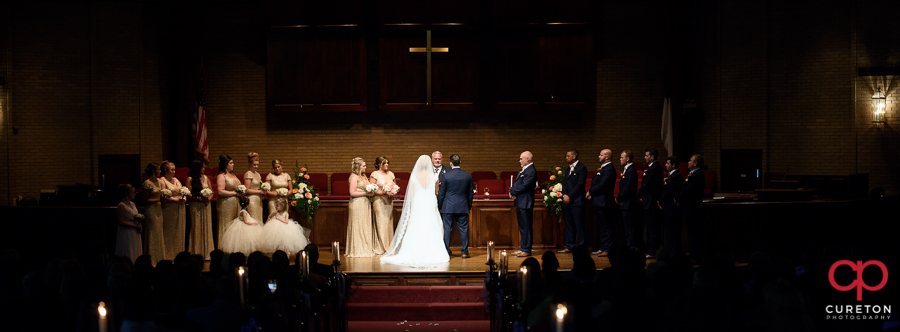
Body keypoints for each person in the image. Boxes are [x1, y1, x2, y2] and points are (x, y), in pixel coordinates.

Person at [380, 155, 450, 266]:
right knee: (431, 224)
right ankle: (432, 251)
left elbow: (411, 194)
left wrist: (412, 206)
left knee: (416, 224)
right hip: (430, 201)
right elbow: (437, 192)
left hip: (418, 201)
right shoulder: (435, 175)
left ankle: (414, 250)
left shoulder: (414, 176)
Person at [437, 154, 474, 258]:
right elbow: (470, 193)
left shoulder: (446, 176)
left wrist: (439, 206)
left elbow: (442, 193)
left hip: (448, 206)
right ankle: (465, 251)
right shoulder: (468, 175)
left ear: (450, 163)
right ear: (460, 162)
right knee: (463, 229)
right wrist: (469, 205)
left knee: (447, 229)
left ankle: (447, 251)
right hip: (462, 206)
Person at [675, 154, 706, 264]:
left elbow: (689, 190)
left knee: (694, 234)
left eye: (690, 160)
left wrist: (678, 197)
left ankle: (696, 256)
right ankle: (693, 254)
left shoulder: (697, 175)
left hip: (693, 209)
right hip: (690, 208)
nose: (688, 162)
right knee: (691, 233)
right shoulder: (693, 174)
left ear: (695, 164)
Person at [586, 149, 616, 257]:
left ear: (607, 157)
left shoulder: (609, 169)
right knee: (603, 227)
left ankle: (607, 249)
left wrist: (591, 191)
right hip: (599, 201)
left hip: (604, 202)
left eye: (601, 155)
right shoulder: (604, 168)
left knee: (607, 227)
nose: (599, 157)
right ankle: (603, 247)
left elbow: (603, 184)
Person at [636, 147, 664, 258]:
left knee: (652, 228)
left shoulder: (654, 168)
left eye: (647, 155)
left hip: (651, 203)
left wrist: (636, 195)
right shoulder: (653, 167)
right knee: (650, 228)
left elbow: (647, 185)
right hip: (649, 201)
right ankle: (650, 249)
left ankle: (652, 251)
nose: (645, 157)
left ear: (652, 157)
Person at [345, 157, 376, 257]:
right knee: (358, 226)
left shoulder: (364, 176)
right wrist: (366, 193)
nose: (365, 167)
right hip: (357, 204)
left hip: (365, 204)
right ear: (358, 166)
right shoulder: (354, 177)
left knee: (364, 225)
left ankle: (365, 248)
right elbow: (352, 192)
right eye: (364, 166)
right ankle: (357, 250)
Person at [509, 151, 537, 257]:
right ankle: (523, 247)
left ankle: (527, 249)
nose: (519, 160)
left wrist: (513, 192)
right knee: (522, 226)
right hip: (521, 201)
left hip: (525, 202)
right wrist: (513, 190)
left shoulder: (531, 171)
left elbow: (525, 185)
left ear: (528, 159)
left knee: (526, 226)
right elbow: (518, 183)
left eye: (521, 159)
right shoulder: (524, 169)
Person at [559, 149, 587, 254]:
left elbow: (580, 184)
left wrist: (570, 196)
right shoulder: (567, 170)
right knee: (569, 225)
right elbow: (565, 184)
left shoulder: (581, 168)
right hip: (568, 201)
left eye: (568, 156)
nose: (566, 158)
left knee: (579, 225)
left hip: (577, 201)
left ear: (574, 156)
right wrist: (565, 195)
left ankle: (581, 247)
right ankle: (570, 245)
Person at [187, 159, 214, 260]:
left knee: (206, 228)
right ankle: (196, 252)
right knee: (196, 228)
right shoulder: (190, 179)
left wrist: (208, 199)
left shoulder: (206, 178)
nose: (204, 169)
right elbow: (188, 194)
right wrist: (199, 198)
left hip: (206, 206)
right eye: (202, 167)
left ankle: (207, 252)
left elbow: (211, 191)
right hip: (196, 206)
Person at [159, 160, 186, 260]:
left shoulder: (176, 180)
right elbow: (163, 196)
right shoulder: (162, 180)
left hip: (179, 208)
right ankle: (168, 255)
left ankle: (178, 255)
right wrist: (176, 200)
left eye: (174, 170)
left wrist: (184, 199)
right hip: (169, 209)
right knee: (169, 232)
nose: (174, 172)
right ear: (166, 170)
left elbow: (182, 191)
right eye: (172, 170)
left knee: (178, 231)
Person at [369, 156, 396, 254]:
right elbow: (372, 189)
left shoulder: (391, 174)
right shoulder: (374, 174)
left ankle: (389, 246)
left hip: (389, 202)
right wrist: (383, 193)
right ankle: (381, 247)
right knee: (381, 224)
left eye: (388, 163)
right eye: (385, 163)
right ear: (379, 164)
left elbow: (394, 186)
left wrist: (392, 191)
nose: (387, 165)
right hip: (379, 201)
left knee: (388, 224)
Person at [141, 162, 165, 265]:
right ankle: (151, 259)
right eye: (158, 170)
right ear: (153, 171)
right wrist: (158, 200)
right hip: (150, 210)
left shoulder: (159, 182)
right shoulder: (147, 183)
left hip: (158, 210)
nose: (160, 171)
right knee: (152, 233)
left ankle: (159, 258)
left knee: (158, 233)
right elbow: (145, 200)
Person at [658, 156, 684, 252]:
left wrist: (660, 201)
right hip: (669, 208)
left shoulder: (675, 176)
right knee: (670, 232)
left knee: (673, 232)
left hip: (671, 209)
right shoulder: (673, 175)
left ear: (673, 165)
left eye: (668, 163)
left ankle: (674, 253)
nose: (665, 165)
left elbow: (668, 192)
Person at [216, 155, 242, 245]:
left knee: (235, 226)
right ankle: (224, 248)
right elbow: (220, 191)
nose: (233, 165)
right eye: (231, 163)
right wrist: (235, 193)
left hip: (236, 204)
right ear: (225, 164)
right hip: (226, 205)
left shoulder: (233, 175)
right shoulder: (221, 176)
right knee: (226, 225)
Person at [616, 150, 639, 251]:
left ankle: (631, 248)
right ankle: (629, 247)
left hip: (628, 203)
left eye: (622, 157)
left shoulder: (631, 171)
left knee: (629, 228)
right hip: (626, 203)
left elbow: (627, 187)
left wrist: (618, 198)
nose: (620, 159)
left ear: (627, 159)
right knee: (627, 228)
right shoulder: (627, 170)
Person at [115, 184, 143, 262]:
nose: (134, 194)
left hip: (134, 231)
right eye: (132, 192)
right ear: (126, 194)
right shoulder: (122, 205)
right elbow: (121, 221)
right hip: (126, 232)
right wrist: (134, 225)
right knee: (128, 250)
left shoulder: (132, 204)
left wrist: (139, 225)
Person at [244, 152, 265, 222]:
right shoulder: (248, 174)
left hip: (258, 200)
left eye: (257, 165)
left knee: (259, 219)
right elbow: (246, 190)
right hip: (252, 200)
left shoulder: (258, 174)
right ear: (249, 164)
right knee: (254, 219)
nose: (256, 166)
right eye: (254, 165)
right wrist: (259, 191)